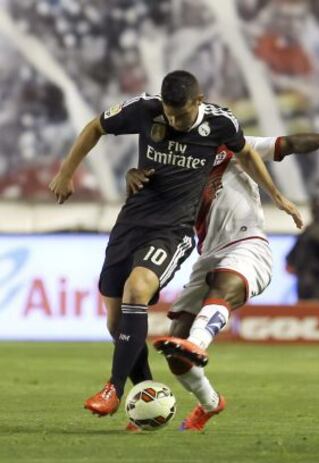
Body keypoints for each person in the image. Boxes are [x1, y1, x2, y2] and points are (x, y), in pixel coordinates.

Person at [49, 70, 300, 418]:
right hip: (131, 221)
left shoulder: (221, 123)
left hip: (173, 229)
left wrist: (278, 196)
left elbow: (246, 154)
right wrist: (66, 173)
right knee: (115, 323)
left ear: (198, 102)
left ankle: (113, 388)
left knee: (137, 290)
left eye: (180, 115)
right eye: (169, 114)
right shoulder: (144, 109)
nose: (173, 121)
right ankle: (147, 397)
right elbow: (95, 127)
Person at [127, 130, 319, 431]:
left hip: (248, 243)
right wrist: (132, 175)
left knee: (224, 285)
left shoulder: (230, 144)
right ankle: (210, 402)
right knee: (176, 355)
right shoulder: (171, 166)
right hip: (207, 255)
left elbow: (285, 144)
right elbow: (146, 198)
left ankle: (197, 343)